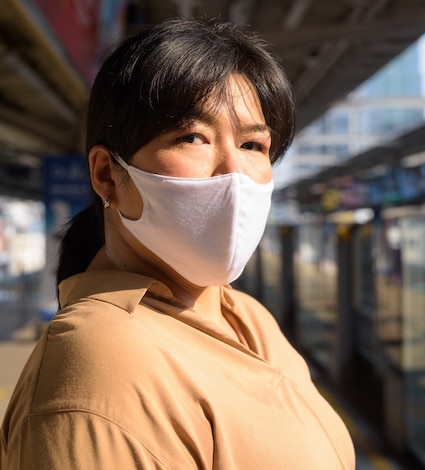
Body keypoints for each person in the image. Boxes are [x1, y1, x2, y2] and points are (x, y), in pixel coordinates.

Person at [0, 18, 355, 469]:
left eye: (252, 144)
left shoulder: (245, 316)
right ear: (108, 174)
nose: (233, 174)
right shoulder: (100, 370)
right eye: (193, 138)